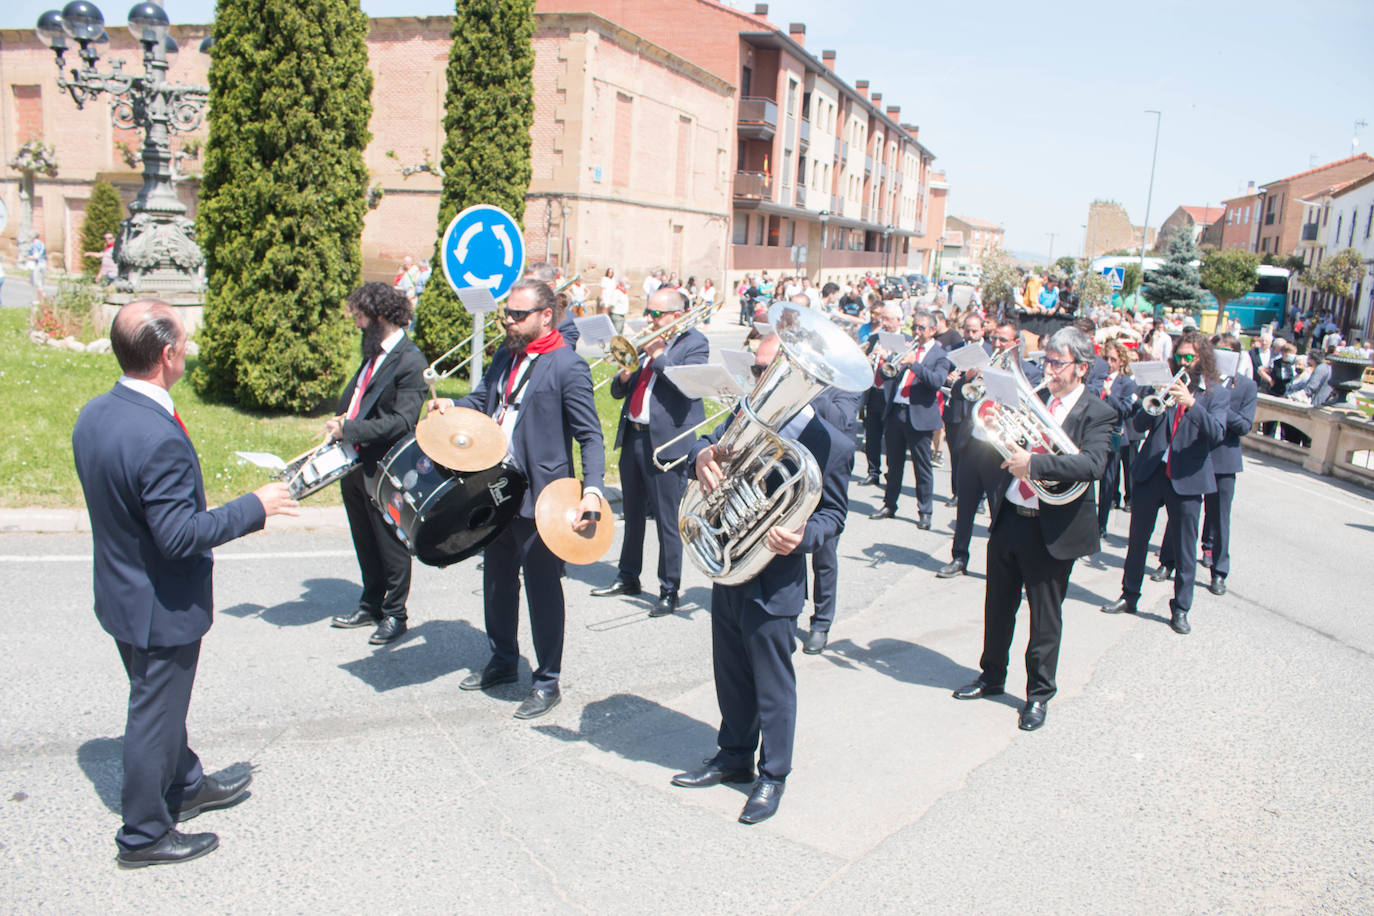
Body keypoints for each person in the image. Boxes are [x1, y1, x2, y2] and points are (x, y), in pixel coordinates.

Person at [71, 300, 299, 867]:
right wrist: (255, 506)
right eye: (186, 343)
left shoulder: (96, 413)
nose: (190, 350)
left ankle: (187, 783)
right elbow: (178, 536)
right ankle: (144, 835)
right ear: (167, 355)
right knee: (154, 715)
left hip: (122, 591)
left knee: (162, 707)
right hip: (158, 604)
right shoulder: (158, 436)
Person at [670, 331, 854, 825]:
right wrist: (702, 457)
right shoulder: (747, 414)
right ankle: (733, 755)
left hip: (777, 578)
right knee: (729, 670)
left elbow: (833, 516)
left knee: (772, 682)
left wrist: (803, 537)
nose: (756, 379)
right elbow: (711, 446)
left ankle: (773, 775)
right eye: (756, 369)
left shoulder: (831, 442)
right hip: (730, 561)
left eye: (766, 371)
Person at [430, 279, 605, 719]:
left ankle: (547, 681)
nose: (508, 321)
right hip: (495, 487)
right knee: (497, 581)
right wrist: (450, 408)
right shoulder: (505, 355)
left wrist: (594, 491)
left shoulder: (568, 366)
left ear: (546, 316)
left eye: (518, 315)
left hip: (543, 499)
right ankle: (503, 660)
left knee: (543, 591)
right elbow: (484, 399)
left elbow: (590, 436)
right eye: (507, 313)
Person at [952, 327, 1115, 731]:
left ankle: (1038, 695)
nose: (1048, 370)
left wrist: (1036, 464)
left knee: (1044, 618)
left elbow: (1094, 465)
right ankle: (991, 676)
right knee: (998, 605)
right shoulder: (1038, 397)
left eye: (1057, 363)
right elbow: (998, 431)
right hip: (1012, 514)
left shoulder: (1098, 412)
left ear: (1081, 368)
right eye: (1046, 361)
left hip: (1053, 528)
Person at [591, 287, 709, 616]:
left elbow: (688, 386)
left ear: (675, 315)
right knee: (632, 515)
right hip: (634, 436)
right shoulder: (649, 339)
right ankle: (628, 575)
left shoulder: (694, 342)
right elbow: (619, 391)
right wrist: (625, 374)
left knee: (668, 521)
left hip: (668, 442)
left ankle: (669, 588)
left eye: (655, 314)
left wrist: (658, 354)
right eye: (648, 312)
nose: (648, 319)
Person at [1101, 331, 1228, 634]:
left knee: (1184, 549)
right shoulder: (1164, 382)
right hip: (1152, 470)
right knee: (1137, 540)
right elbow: (1138, 424)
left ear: (1202, 358)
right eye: (1180, 355)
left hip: (1188, 476)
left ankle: (1181, 608)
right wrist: (1153, 399)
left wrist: (1193, 405)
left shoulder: (1215, 393)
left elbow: (1218, 433)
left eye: (1190, 357)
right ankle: (1129, 595)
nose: (1184, 361)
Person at [326, 283, 429, 645]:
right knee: (363, 537)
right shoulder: (375, 353)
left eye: (360, 317)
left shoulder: (410, 360)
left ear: (380, 316)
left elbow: (403, 422)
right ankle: (371, 602)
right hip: (355, 461)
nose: (356, 324)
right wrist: (341, 424)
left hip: (386, 465)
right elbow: (360, 398)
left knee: (390, 541)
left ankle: (395, 613)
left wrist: (350, 427)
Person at [940, 321, 1042, 578]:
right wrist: (969, 378)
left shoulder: (1029, 372)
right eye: (995, 338)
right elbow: (958, 394)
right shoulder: (983, 362)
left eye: (1003, 340)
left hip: (1001, 450)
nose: (997, 344)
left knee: (999, 511)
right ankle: (959, 557)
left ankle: (1003, 564)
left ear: (1016, 343)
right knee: (965, 506)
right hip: (973, 444)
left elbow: (1031, 406)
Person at [871, 310, 951, 529]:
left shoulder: (940, 355)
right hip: (897, 411)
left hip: (920, 415)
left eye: (921, 328)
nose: (916, 331)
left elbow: (936, 381)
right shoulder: (909, 347)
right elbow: (890, 375)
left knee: (922, 467)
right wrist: (889, 360)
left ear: (933, 330)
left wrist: (914, 363)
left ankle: (925, 511)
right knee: (893, 464)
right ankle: (889, 504)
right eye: (914, 327)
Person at [1199, 334, 1258, 596]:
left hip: (1225, 458)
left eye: (1226, 351)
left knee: (1221, 517)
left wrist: (1220, 407)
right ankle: (1171, 561)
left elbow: (1244, 425)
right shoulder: (1202, 381)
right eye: (1216, 350)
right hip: (1198, 454)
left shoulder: (1246, 387)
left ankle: (1219, 572)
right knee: (1183, 512)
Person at [940, 313, 989, 501]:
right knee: (956, 453)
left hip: (979, 410)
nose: (970, 334)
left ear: (982, 331)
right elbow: (942, 374)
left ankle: (981, 496)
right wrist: (950, 378)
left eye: (974, 331)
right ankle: (957, 492)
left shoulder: (991, 351)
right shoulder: (954, 349)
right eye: (967, 330)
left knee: (981, 456)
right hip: (957, 408)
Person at [859, 303, 906, 486]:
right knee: (872, 435)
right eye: (882, 318)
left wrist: (887, 357)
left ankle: (891, 474)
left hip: (891, 395)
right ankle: (873, 471)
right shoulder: (874, 337)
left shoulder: (906, 340)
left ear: (898, 321)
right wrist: (868, 359)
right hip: (874, 392)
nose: (883, 322)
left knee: (892, 439)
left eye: (887, 319)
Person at [1096, 339, 1138, 536]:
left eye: (1113, 359)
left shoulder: (1127, 383)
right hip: (1094, 432)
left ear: (1121, 361)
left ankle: (1101, 525)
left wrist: (1110, 394)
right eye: (1106, 358)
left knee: (1108, 482)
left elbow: (1126, 410)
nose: (1109, 362)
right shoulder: (1097, 376)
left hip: (1114, 435)